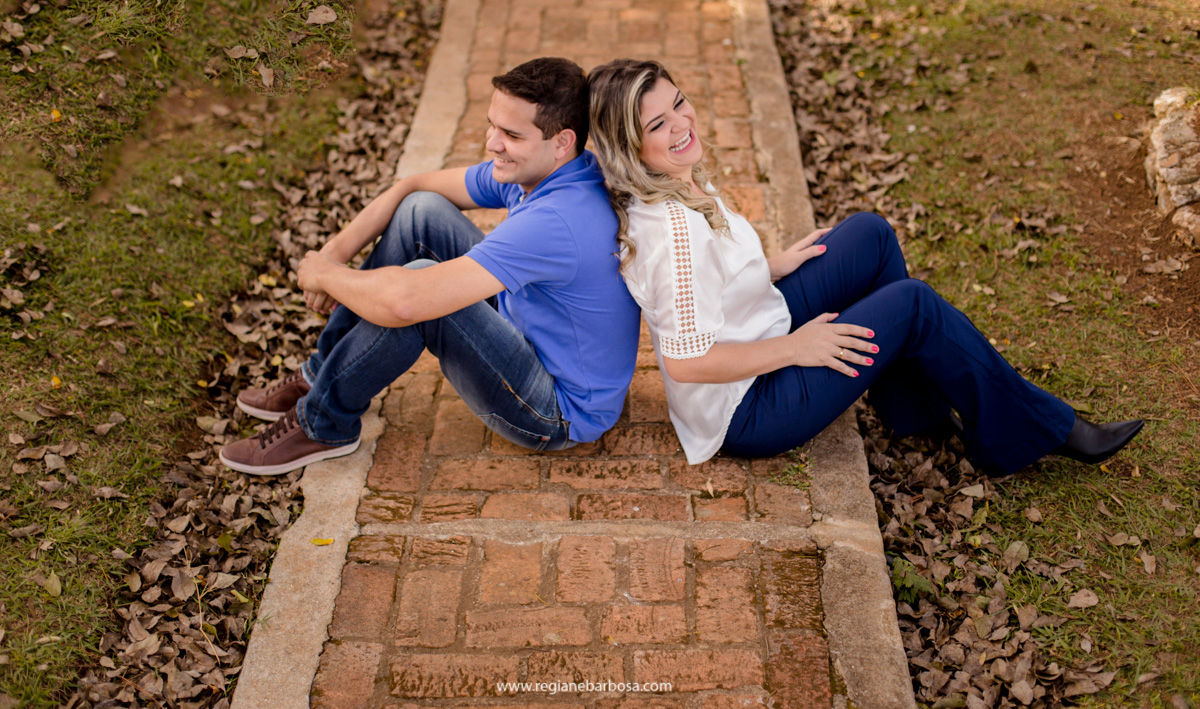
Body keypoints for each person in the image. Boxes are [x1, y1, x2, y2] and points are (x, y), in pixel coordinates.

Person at [586, 58, 1143, 475]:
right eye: (656, 125)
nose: (681, 123)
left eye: (678, 102)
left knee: (869, 235)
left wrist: (770, 265)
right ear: (631, 146)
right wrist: (797, 349)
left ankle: (915, 414)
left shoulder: (671, 180)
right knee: (914, 304)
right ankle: (1042, 430)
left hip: (758, 323)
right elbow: (686, 363)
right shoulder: (673, 233)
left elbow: (711, 281)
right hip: (748, 408)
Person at [220, 57, 641, 475]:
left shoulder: (556, 221)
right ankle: (322, 375)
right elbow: (413, 186)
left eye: (511, 134)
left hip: (556, 410)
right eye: (493, 124)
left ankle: (323, 425)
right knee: (421, 212)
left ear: (562, 141)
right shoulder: (550, 168)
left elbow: (406, 302)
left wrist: (327, 276)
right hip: (530, 327)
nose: (492, 143)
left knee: (421, 292)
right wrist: (333, 254)